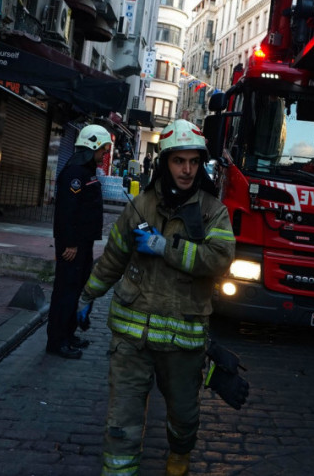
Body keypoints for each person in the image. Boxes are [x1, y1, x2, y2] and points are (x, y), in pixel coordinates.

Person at [77, 119, 236, 476]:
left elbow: (221, 259)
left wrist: (167, 247)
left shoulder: (213, 212)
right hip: (131, 339)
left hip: (183, 341)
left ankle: (179, 456)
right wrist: (86, 296)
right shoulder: (140, 208)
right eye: (179, 161)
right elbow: (114, 258)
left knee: (184, 419)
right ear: (165, 162)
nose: (187, 169)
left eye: (194, 162)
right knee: (122, 426)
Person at [45, 124, 112, 359]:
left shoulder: (86, 170)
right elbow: (67, 211)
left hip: (83, 244)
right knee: (66, 291)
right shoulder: (75, 172)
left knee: (76, 290)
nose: (104, 155)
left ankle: (69, 334)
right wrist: (71, 243)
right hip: (73, 245)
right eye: (103, 150)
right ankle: (57, 341)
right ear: (92, 146)